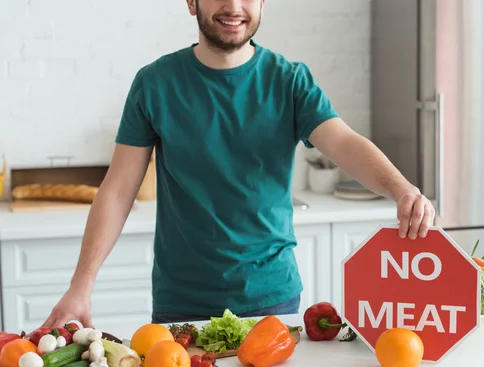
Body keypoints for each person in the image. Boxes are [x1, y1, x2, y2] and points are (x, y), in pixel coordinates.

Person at [42, 0, 435, 329]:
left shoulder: (290, 81)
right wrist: (82, 284)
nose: (233, 7)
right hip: (181, 302)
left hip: (271, 300)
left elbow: (344, 143)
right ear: (191, 1)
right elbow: (118, 189)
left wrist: (401, 189)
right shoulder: (155, 83)